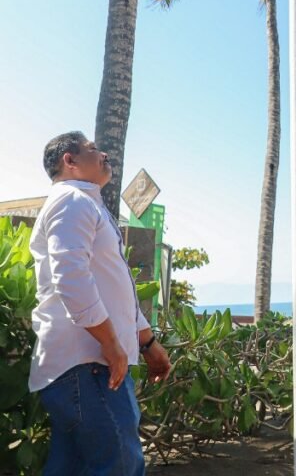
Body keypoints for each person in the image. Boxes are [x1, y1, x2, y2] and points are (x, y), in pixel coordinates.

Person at [29, 131, 171, 476]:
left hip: (86, 368)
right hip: (88, 366)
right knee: (119, 466)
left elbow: (114, 287)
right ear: (70, 160)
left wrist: (147, 343)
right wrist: (111, 343)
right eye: (93, 149)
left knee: (73, 468)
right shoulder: (71, 200)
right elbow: (72, 279)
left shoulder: (86, 203)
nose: (104, 153)